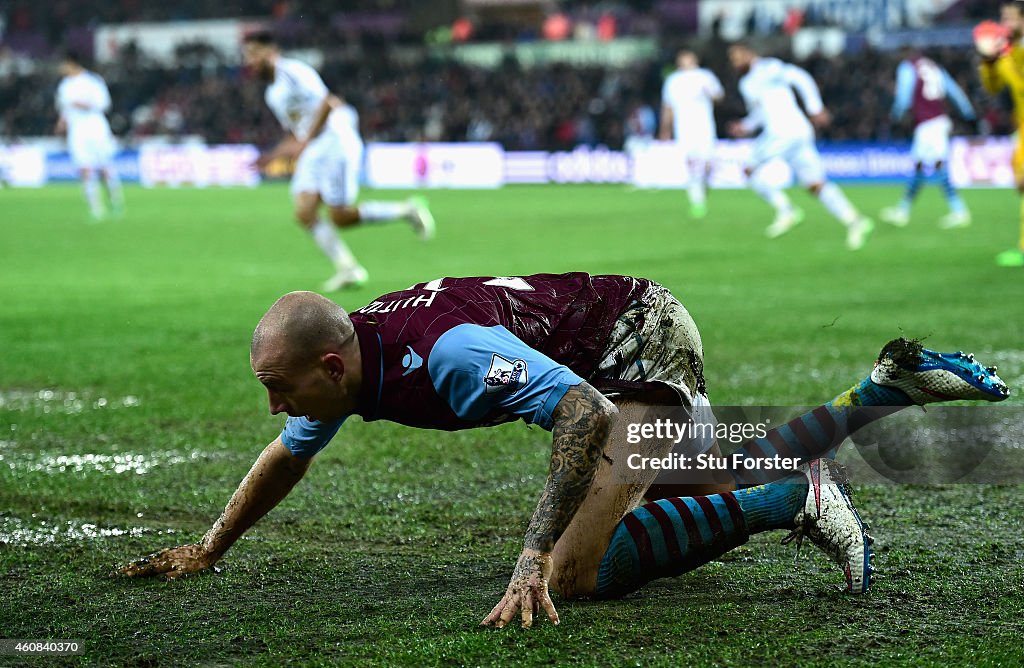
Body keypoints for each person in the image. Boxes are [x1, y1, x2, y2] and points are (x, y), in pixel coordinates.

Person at [118, 273, 1008, 629]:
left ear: (327, 364)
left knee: (579, 572)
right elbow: (288, 453)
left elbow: (583, 416)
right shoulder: (349, 365)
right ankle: (883, 391)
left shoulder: (446, 357)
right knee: (710, 469)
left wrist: (531, 558)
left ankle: (795, 497)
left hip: (633, 343)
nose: (275, 406)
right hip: (607, 346)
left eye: (281, 386)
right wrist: (211, 547)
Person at [242, 31, 435, 291]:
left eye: (254, 53)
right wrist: (273, 155)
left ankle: (406, 210)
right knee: (304, 211)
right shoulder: (272, 94)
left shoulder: (293, 71)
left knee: (341, 217)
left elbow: (328, 103)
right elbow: (296, 132)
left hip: (335, 140)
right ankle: (348, 269)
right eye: (247, 55)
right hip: (314, 146)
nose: (249, 61)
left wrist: (305, 140)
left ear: (270, 51)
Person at [726, 43, 874, 250]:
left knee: (748, 169)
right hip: (795, 132)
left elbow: (800, 78)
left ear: (751, 53)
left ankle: (787, 210)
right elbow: (761, 113)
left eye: (738, 56)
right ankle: (855, 220)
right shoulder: (747, 84)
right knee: (815, 185)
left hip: (783, 132)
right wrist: (745, 126)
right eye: (732, 59)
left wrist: (815, 107)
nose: (736, 61)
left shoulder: (767, 67)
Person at [880, 48, 976, 229]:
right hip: (939, 121)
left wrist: (895, 116)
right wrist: (968, 113)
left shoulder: (907, 67)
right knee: (919, 166)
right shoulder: (934, 66)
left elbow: (904, 97)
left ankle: (959, 211)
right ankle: (903, 210)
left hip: (927, 124)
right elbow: (954, 91)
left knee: (937, 165)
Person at [976, 2, 1024, 267]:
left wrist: (1002, 57)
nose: (1004, 23)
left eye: (1011, 18)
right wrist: (988, 61)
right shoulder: (1011, 52)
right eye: (1002, 18)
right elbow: (993, 88)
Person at [55, 50, 123, 220]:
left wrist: (83, 104)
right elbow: (66, 109)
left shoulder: (93, 81)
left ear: (72, 63)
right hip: (77, 131)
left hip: (96, 127)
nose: (61, 68)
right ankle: (96, 209)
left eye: (63, 64)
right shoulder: (64, 85)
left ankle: (116, 201)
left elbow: (104, 104)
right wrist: (62, 122)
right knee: (84, 168)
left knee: (104, 167)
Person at [658, 50, 724, 219]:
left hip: (704, 126)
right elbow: (668, 106)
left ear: (695, 60)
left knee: (708, 163)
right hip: (684, 128)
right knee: (692, 163)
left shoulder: (705, 76)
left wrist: (710, 92)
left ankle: (703, 185)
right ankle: (697, 202)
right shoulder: (673, 80)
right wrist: (665, 128)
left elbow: (719, 96)